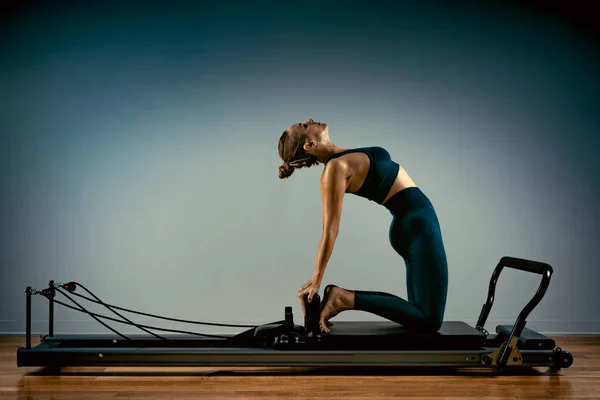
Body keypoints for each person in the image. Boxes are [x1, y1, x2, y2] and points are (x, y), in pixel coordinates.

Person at [277, 118, 449, 334]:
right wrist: (316, 279)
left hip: (416, 225)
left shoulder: (340, 156)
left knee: (420, 313)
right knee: (430, 321)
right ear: (309, 145)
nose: (310, 120)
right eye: (304, 126)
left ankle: (344, 298)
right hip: (418, 228)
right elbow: (330, 228)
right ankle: (343, 298)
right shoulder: (335, 169)